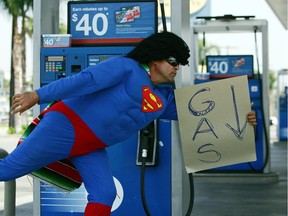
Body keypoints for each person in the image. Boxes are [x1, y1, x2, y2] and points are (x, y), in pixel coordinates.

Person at [0, 31, 257, 216]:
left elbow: (196, 113)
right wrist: (38, 95)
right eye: (173, 61)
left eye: (180, 64)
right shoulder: (124, 67)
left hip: (91, 145)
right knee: (7, 170)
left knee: (104, 196)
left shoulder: (164, 99)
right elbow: (84, 81)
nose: (177, 68)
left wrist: (240, 116)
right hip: (65, 127)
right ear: (156, 57)